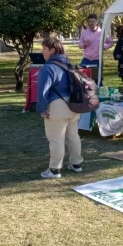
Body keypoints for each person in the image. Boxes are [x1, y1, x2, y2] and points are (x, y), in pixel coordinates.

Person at [37, 38, 83, 179]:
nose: (42, 51)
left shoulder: (48, 68)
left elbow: (42, 92)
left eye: (44, 48)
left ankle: (54, 170)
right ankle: (76, 164)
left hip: (58, 106)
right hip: (74, 105)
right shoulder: (68, 64)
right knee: (73, 135)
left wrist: (42, 109)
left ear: (52, 50)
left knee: (56, 139)